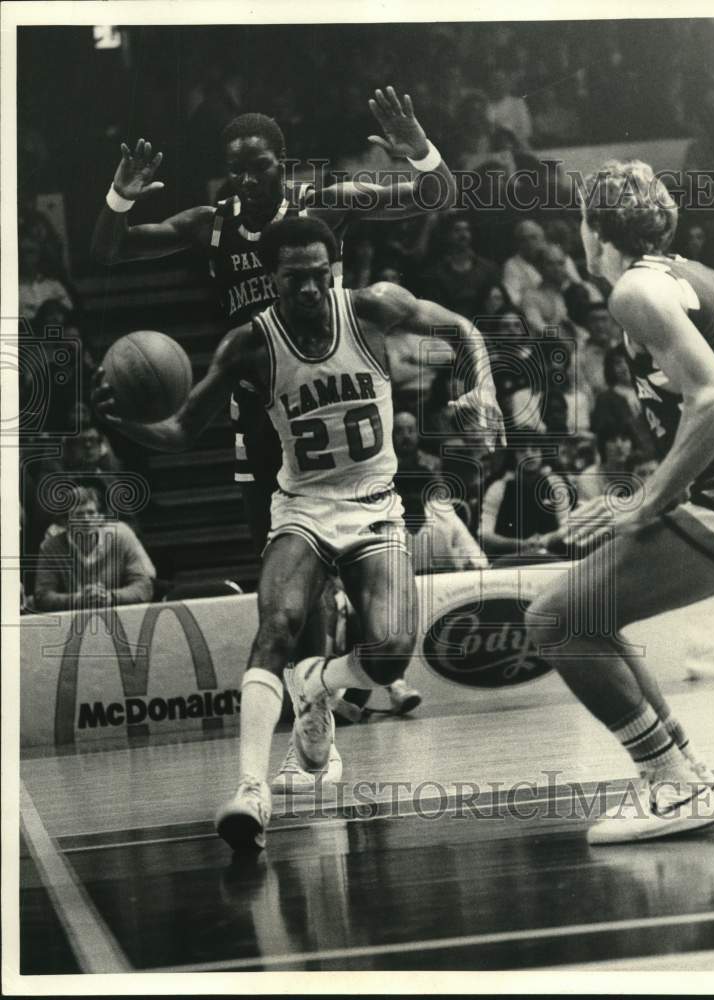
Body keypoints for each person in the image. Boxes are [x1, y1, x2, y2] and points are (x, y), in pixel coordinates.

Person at [92, 216, 504, 850]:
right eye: (295, 278)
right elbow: (179, 430)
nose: (309, 288)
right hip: (302, 506)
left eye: (319, 275)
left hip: (374, 503)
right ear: (273, 278)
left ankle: (317, 684)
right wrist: (121, 423)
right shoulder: (249, 344)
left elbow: (464, 329)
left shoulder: (373, 308)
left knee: (392, 653)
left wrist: (484, 389)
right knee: (278, 625)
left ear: (333, 271)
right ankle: (251, 792)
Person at [90, 85, 457, 789]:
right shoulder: (210, 224)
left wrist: (417, 149)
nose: (245, 179)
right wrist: (119, 195)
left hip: (335, 402)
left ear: (282, 168)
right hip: (261, 421)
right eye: (235, 168)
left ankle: (330, 697)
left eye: (258, 166)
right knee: (297, 597)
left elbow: (434, 194)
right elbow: (111, 250)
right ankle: (315, 731)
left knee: (348, 591)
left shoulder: (324, 207)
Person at [523, 160, 714, 843]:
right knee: (590, 616)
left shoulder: (634, 288)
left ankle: (669, 780)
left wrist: (642, 505)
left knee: (554, 622)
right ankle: (685, 775)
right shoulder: (698, 275)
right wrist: (647, 497)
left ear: (593, 228)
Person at [34, 486, 155, 612]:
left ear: (100, 516)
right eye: (79, 515)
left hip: (118, 617)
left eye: (91, 513)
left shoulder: (121, 538)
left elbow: (144, 587)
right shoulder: (50, 547)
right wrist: (78, 599)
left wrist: (111, 597)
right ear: (66, 521)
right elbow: (42, 597)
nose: (86, 519)